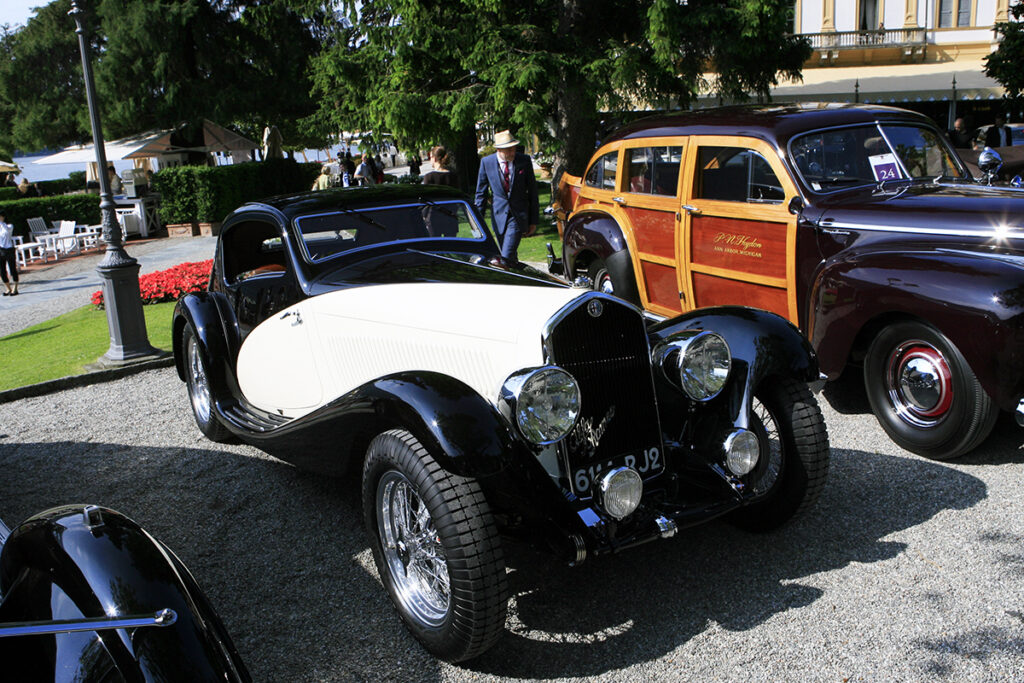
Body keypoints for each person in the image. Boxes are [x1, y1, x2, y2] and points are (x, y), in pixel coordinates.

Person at [474, 130, 539, 263]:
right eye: (508, 150)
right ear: (498, 150)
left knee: (505, 257)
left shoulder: (524, 161)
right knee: (511, 257)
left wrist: (533, 220)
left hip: (518, 216)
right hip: (498, 217)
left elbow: (532, 191)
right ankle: (519, 280)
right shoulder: (487, 163)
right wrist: (476, 222)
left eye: (513, 149)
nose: (512, 153)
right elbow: (481, 194)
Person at [0, 212, 19, 296]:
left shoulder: (9, 226)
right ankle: (8, 288)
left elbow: (6, 230)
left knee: (12, 269)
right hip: (1, 250)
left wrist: (1, 222)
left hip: (9, 249)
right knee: (2, 271)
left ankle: (15, 288)